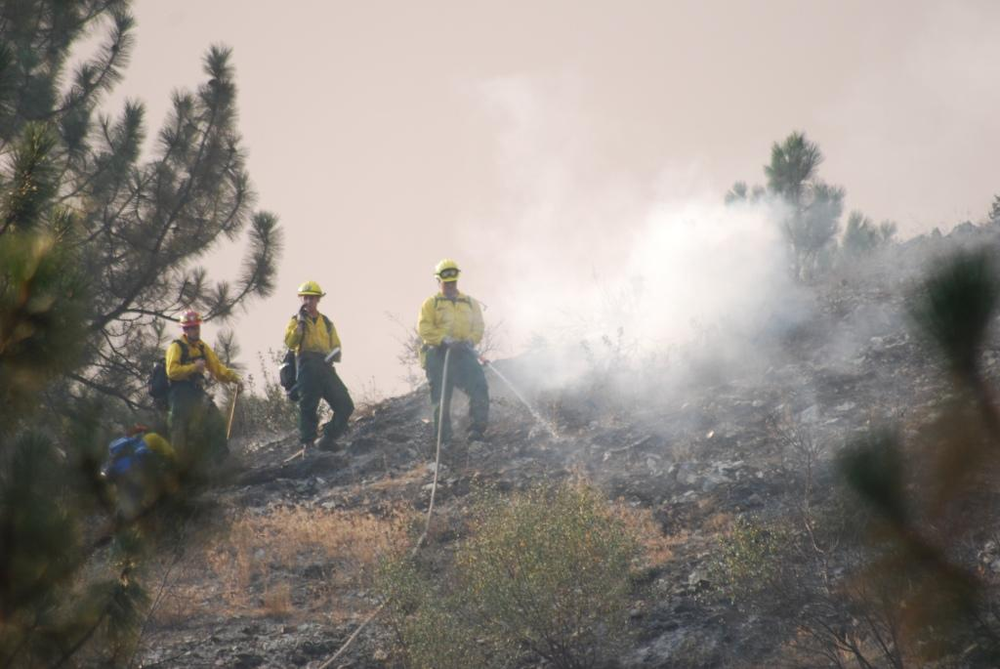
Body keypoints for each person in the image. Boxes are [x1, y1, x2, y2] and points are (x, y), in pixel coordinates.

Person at [417, 259, 489, 444]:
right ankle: (444, 438)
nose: (450, 285)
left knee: (479, 385)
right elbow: (424, 329)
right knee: (442, 396)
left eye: (453, 282)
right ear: (438, 281)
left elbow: (478, 327)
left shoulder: (470, 303)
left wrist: (470, 341)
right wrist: (444, 340)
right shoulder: (431, 304)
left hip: (463, 353)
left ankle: (476, 430)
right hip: (438, 354)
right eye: (446, 282)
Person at [166, 310, 242, 468]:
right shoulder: (176, 347)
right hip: (179, 394)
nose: (195, 330)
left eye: (197, 327)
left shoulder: (202, 347)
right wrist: (194, 367)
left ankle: (221, 460)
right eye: (192, 327)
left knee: (215, 420)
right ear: (185, 330)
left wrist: (234, 378)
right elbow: (172, 371)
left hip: (196, 392)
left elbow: (217, 368)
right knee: (180, 431)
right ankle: (179, 470)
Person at [284, 281, 354, 450]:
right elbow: (290, 342)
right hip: (307, 367)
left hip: (326, 366)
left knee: (345, 405)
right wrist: (300, 326)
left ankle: (327, 439)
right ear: (301, 299)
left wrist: (335, 354)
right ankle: (308, 445)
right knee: (308, 407)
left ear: (318, 300)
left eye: (312, 298)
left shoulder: (327, 323)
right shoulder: (295, 321)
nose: (308, 302)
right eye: (305, 298)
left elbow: (336, 345)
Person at [101, 425, 178, 519]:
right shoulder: (149, 439)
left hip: (124, 479)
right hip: (139, 474)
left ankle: (126, 519)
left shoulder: (116, 454)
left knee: (131, 502)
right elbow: (170, 455)